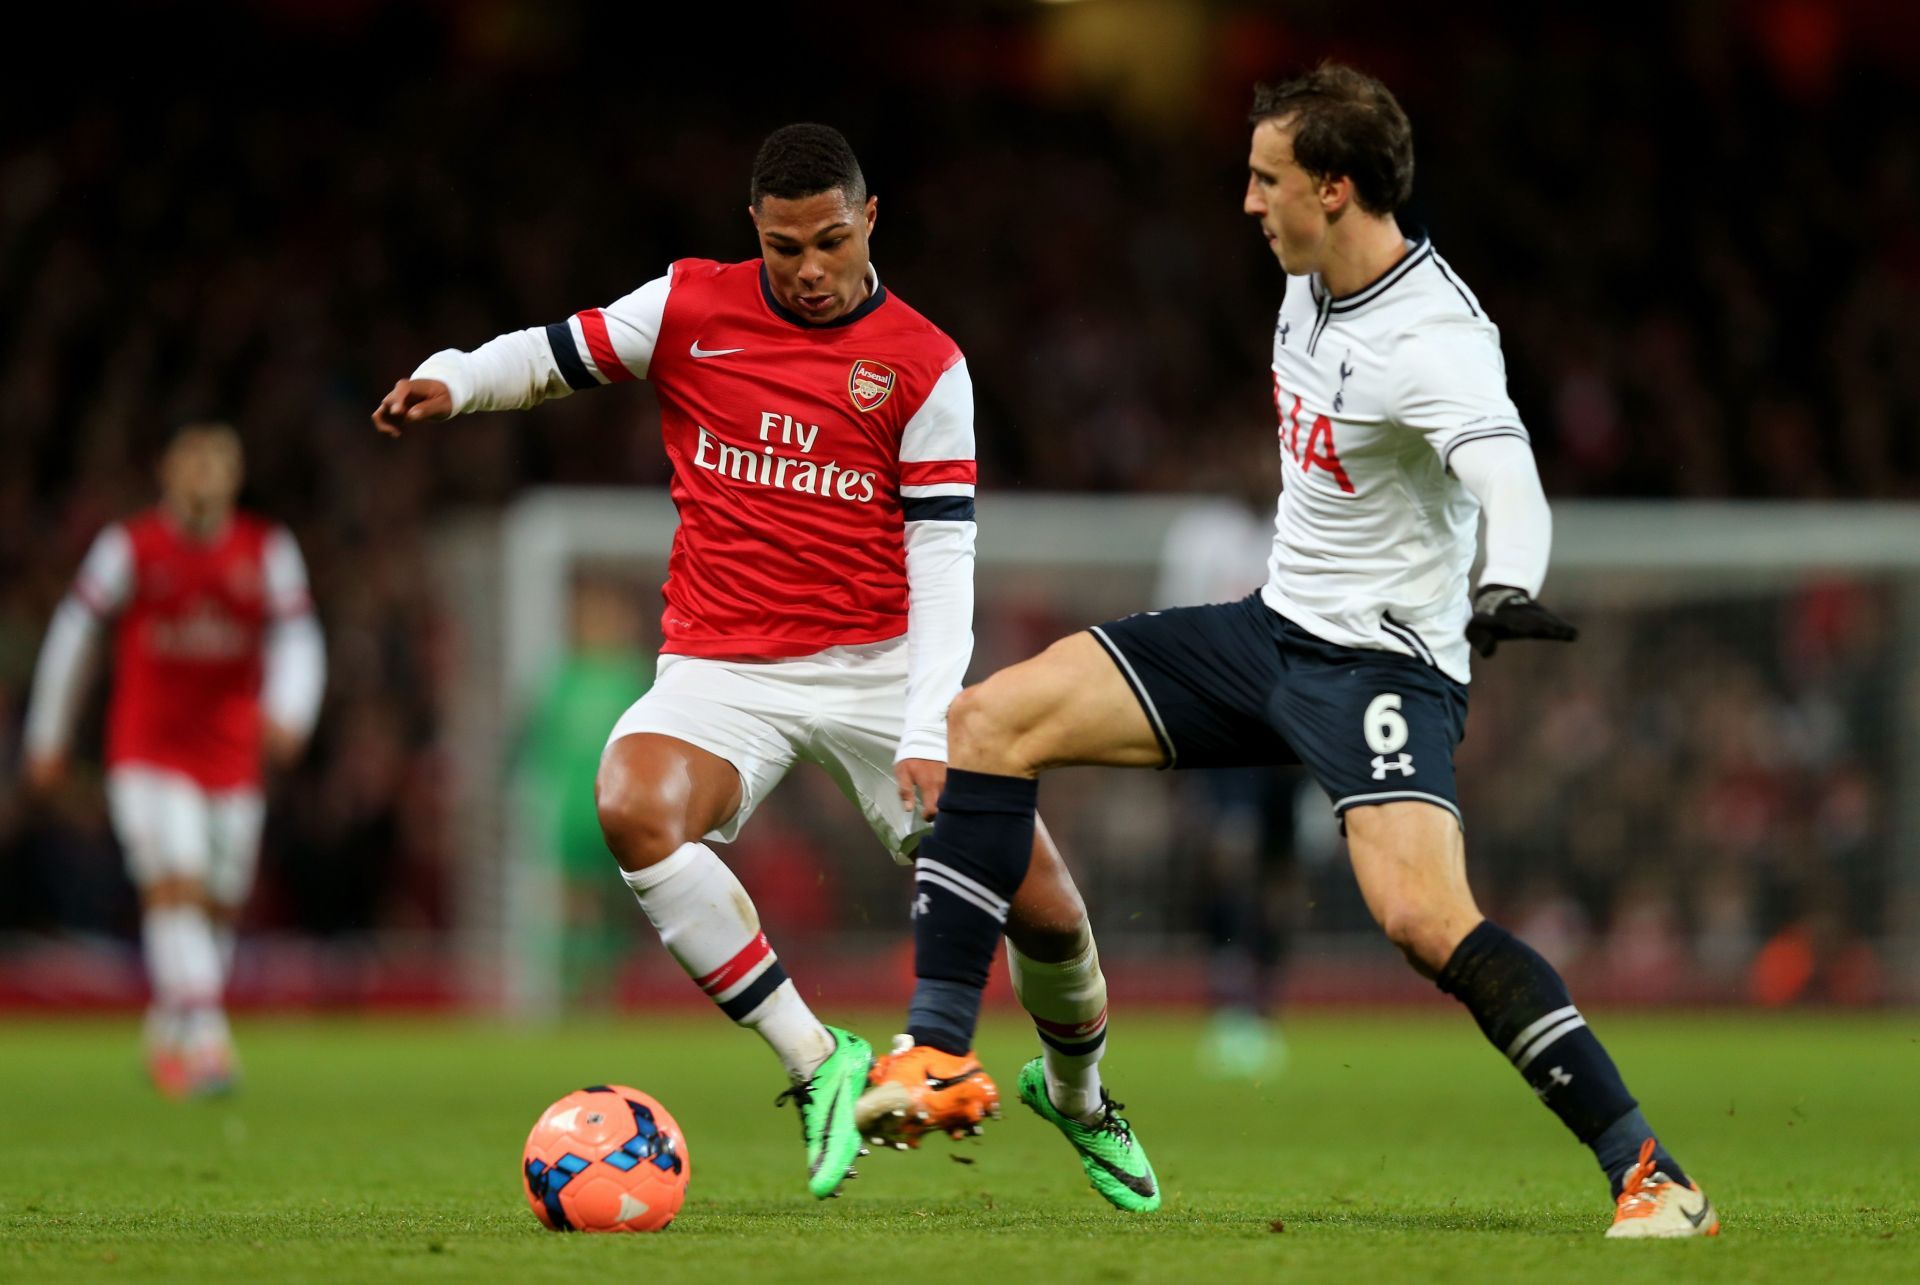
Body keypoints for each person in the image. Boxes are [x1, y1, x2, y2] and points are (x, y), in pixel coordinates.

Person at [882, 66, 1718, 1239]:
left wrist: (1511, 578)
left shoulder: (1432, 339)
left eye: (1266, 178)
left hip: (1380, 668)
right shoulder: (1314, 276)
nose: (1246, 201)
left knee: (1425, 920)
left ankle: (1651, 1171)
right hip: (1266, 631)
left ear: (1335, 187)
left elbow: (1506, 474)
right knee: (987, 724)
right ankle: (936, 1052)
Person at [371, 124, 1156, 1209]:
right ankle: (817, 1061)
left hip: (882, 669)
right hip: (724, 662)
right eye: (786, 247)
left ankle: (1078, 1096)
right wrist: (456, 379)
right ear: (757, 229)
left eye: (830, 241)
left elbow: (944, 559)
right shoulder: (690, 307)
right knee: (632, 805)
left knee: (1051, 911)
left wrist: (930, 723)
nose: (810, 269)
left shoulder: (925, 365)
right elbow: (555, 351)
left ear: (869, 219)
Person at [23, 423, 326, 1097]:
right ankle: (207, 1038)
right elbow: (74, 635)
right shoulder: (128, 547)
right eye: (192, 464)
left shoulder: (266, 549)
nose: (203, 477)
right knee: (176, 878)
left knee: (219, 897)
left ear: (235, 475)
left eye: (216, 465)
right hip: (147, 748)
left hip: (231, 751)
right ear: (168, 472)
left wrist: (291, 709)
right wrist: (47, 735)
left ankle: (170, 1027)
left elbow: (300, 637)